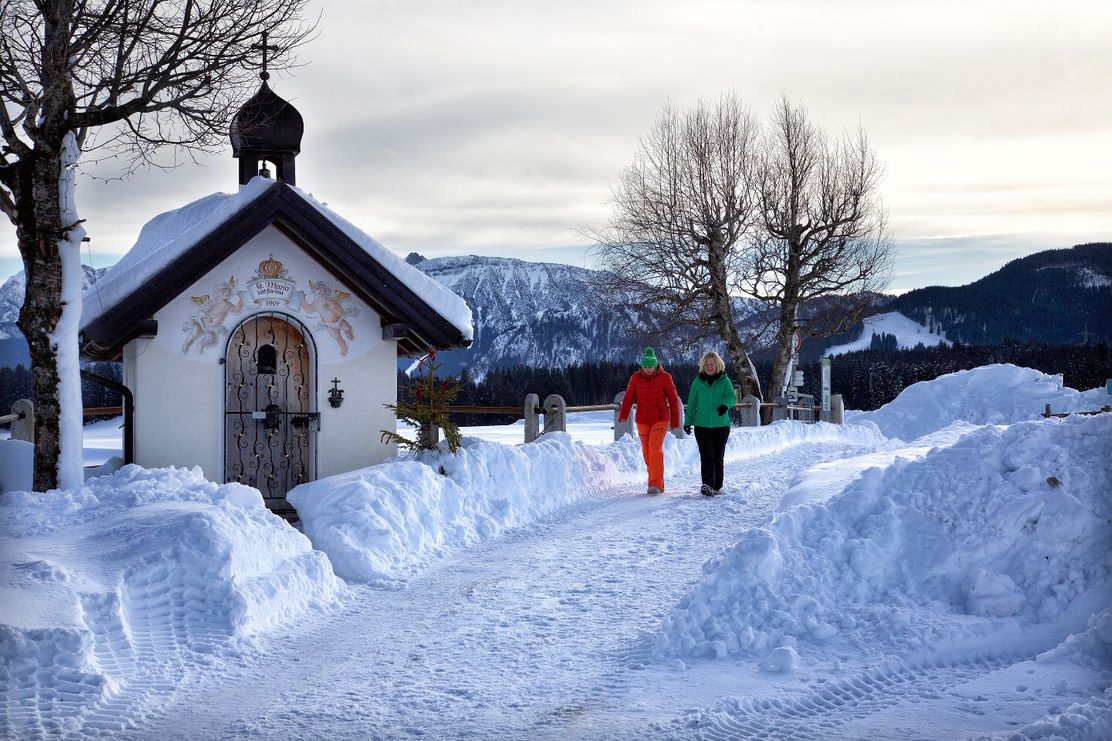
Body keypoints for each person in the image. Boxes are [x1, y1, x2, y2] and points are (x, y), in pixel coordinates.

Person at [618, 347, 682, 495]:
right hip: (642, 420)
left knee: (654, 449)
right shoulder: (635, 377)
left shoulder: (665, 377)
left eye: (650, 366)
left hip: (660, 419)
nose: (647, 369)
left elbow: (673, 399)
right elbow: (628, 397)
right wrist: (623, 415)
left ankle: (655, 483)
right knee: (647, 453)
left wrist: (675, 421)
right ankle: (657, 479)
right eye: (645, 366)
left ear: (655, 365)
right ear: (641, 365)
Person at [683, 350, 735, 496]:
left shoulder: (724, 380)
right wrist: (688, 422)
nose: (709, 367)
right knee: (707, 455)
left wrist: (725, 405)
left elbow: (732, 397)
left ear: (717, 364)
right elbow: (692, 403)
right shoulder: (697, 382)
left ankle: (717, 484)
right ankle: (707, 484)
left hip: (721, 426)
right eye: (706, 364)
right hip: (701, 425)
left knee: (717, 456)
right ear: (702, 366)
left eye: (712, 364)